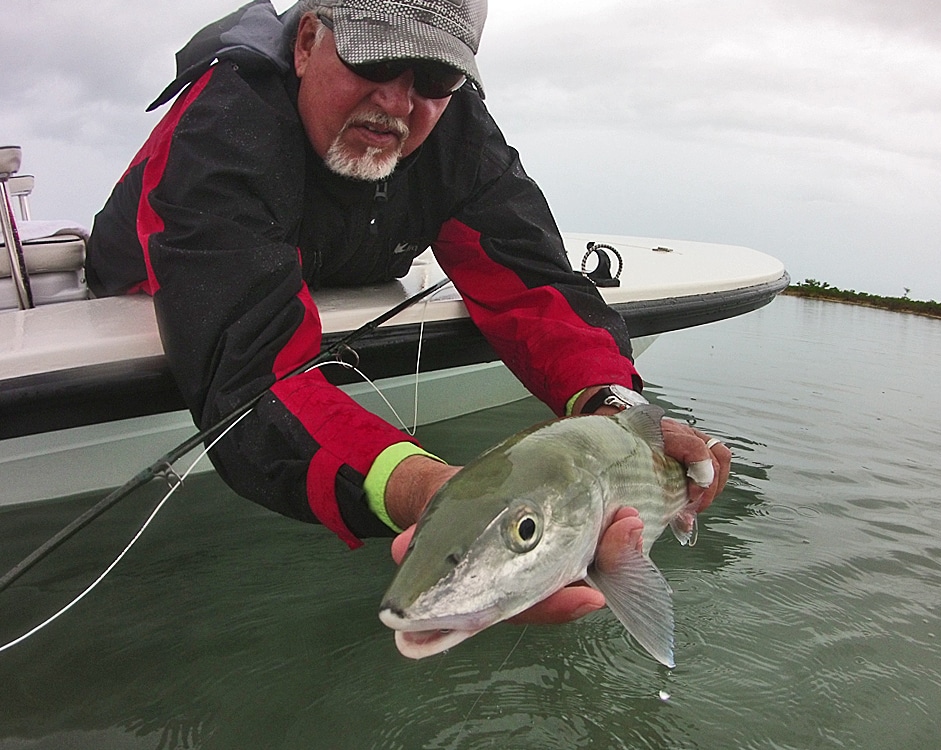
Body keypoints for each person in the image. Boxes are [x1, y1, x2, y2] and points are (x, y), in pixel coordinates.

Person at [86, 0, 730, 624]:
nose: (397, 100)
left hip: (332, 262)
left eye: (435, 75)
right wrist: (431, 492)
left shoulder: (458, 133)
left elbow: (533, 284)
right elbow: (254, 377)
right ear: (307, 42)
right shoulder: (222, 130)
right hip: (174, 276)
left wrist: (618, 410)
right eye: (372, 60)